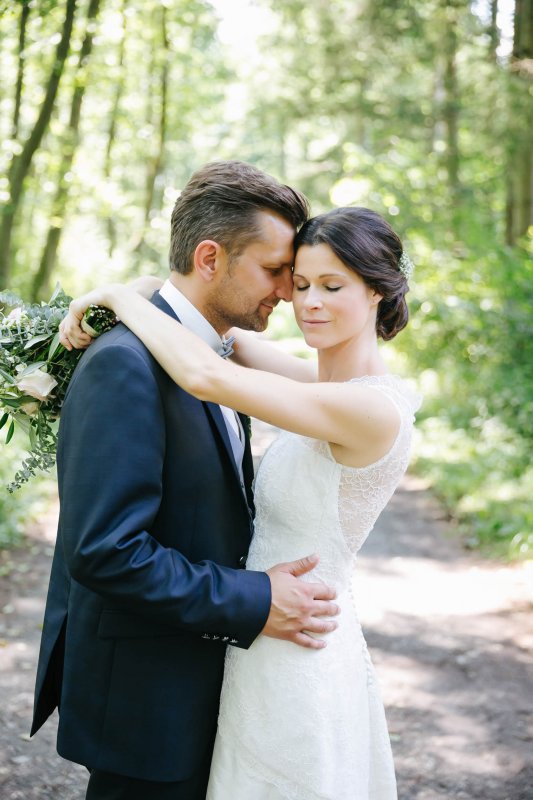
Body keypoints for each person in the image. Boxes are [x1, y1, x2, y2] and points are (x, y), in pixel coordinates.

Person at [61, 205, 422, 799]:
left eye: (332, 287)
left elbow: (208, 375)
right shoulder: (321, 388)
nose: (306, 302)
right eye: (299, 283)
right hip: (255, 632)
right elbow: (215, 337)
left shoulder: (371, 409)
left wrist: (116, 299)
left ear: (379, 291)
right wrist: (153, 291)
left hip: (299, 643)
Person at [31, 161, 341, 800]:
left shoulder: (218, 354)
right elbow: (106, 551)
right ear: (209, 257)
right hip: (148, 699)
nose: (288, 292)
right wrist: (256, 599)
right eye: (275, 270)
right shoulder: (124, 365)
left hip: (207, 684)